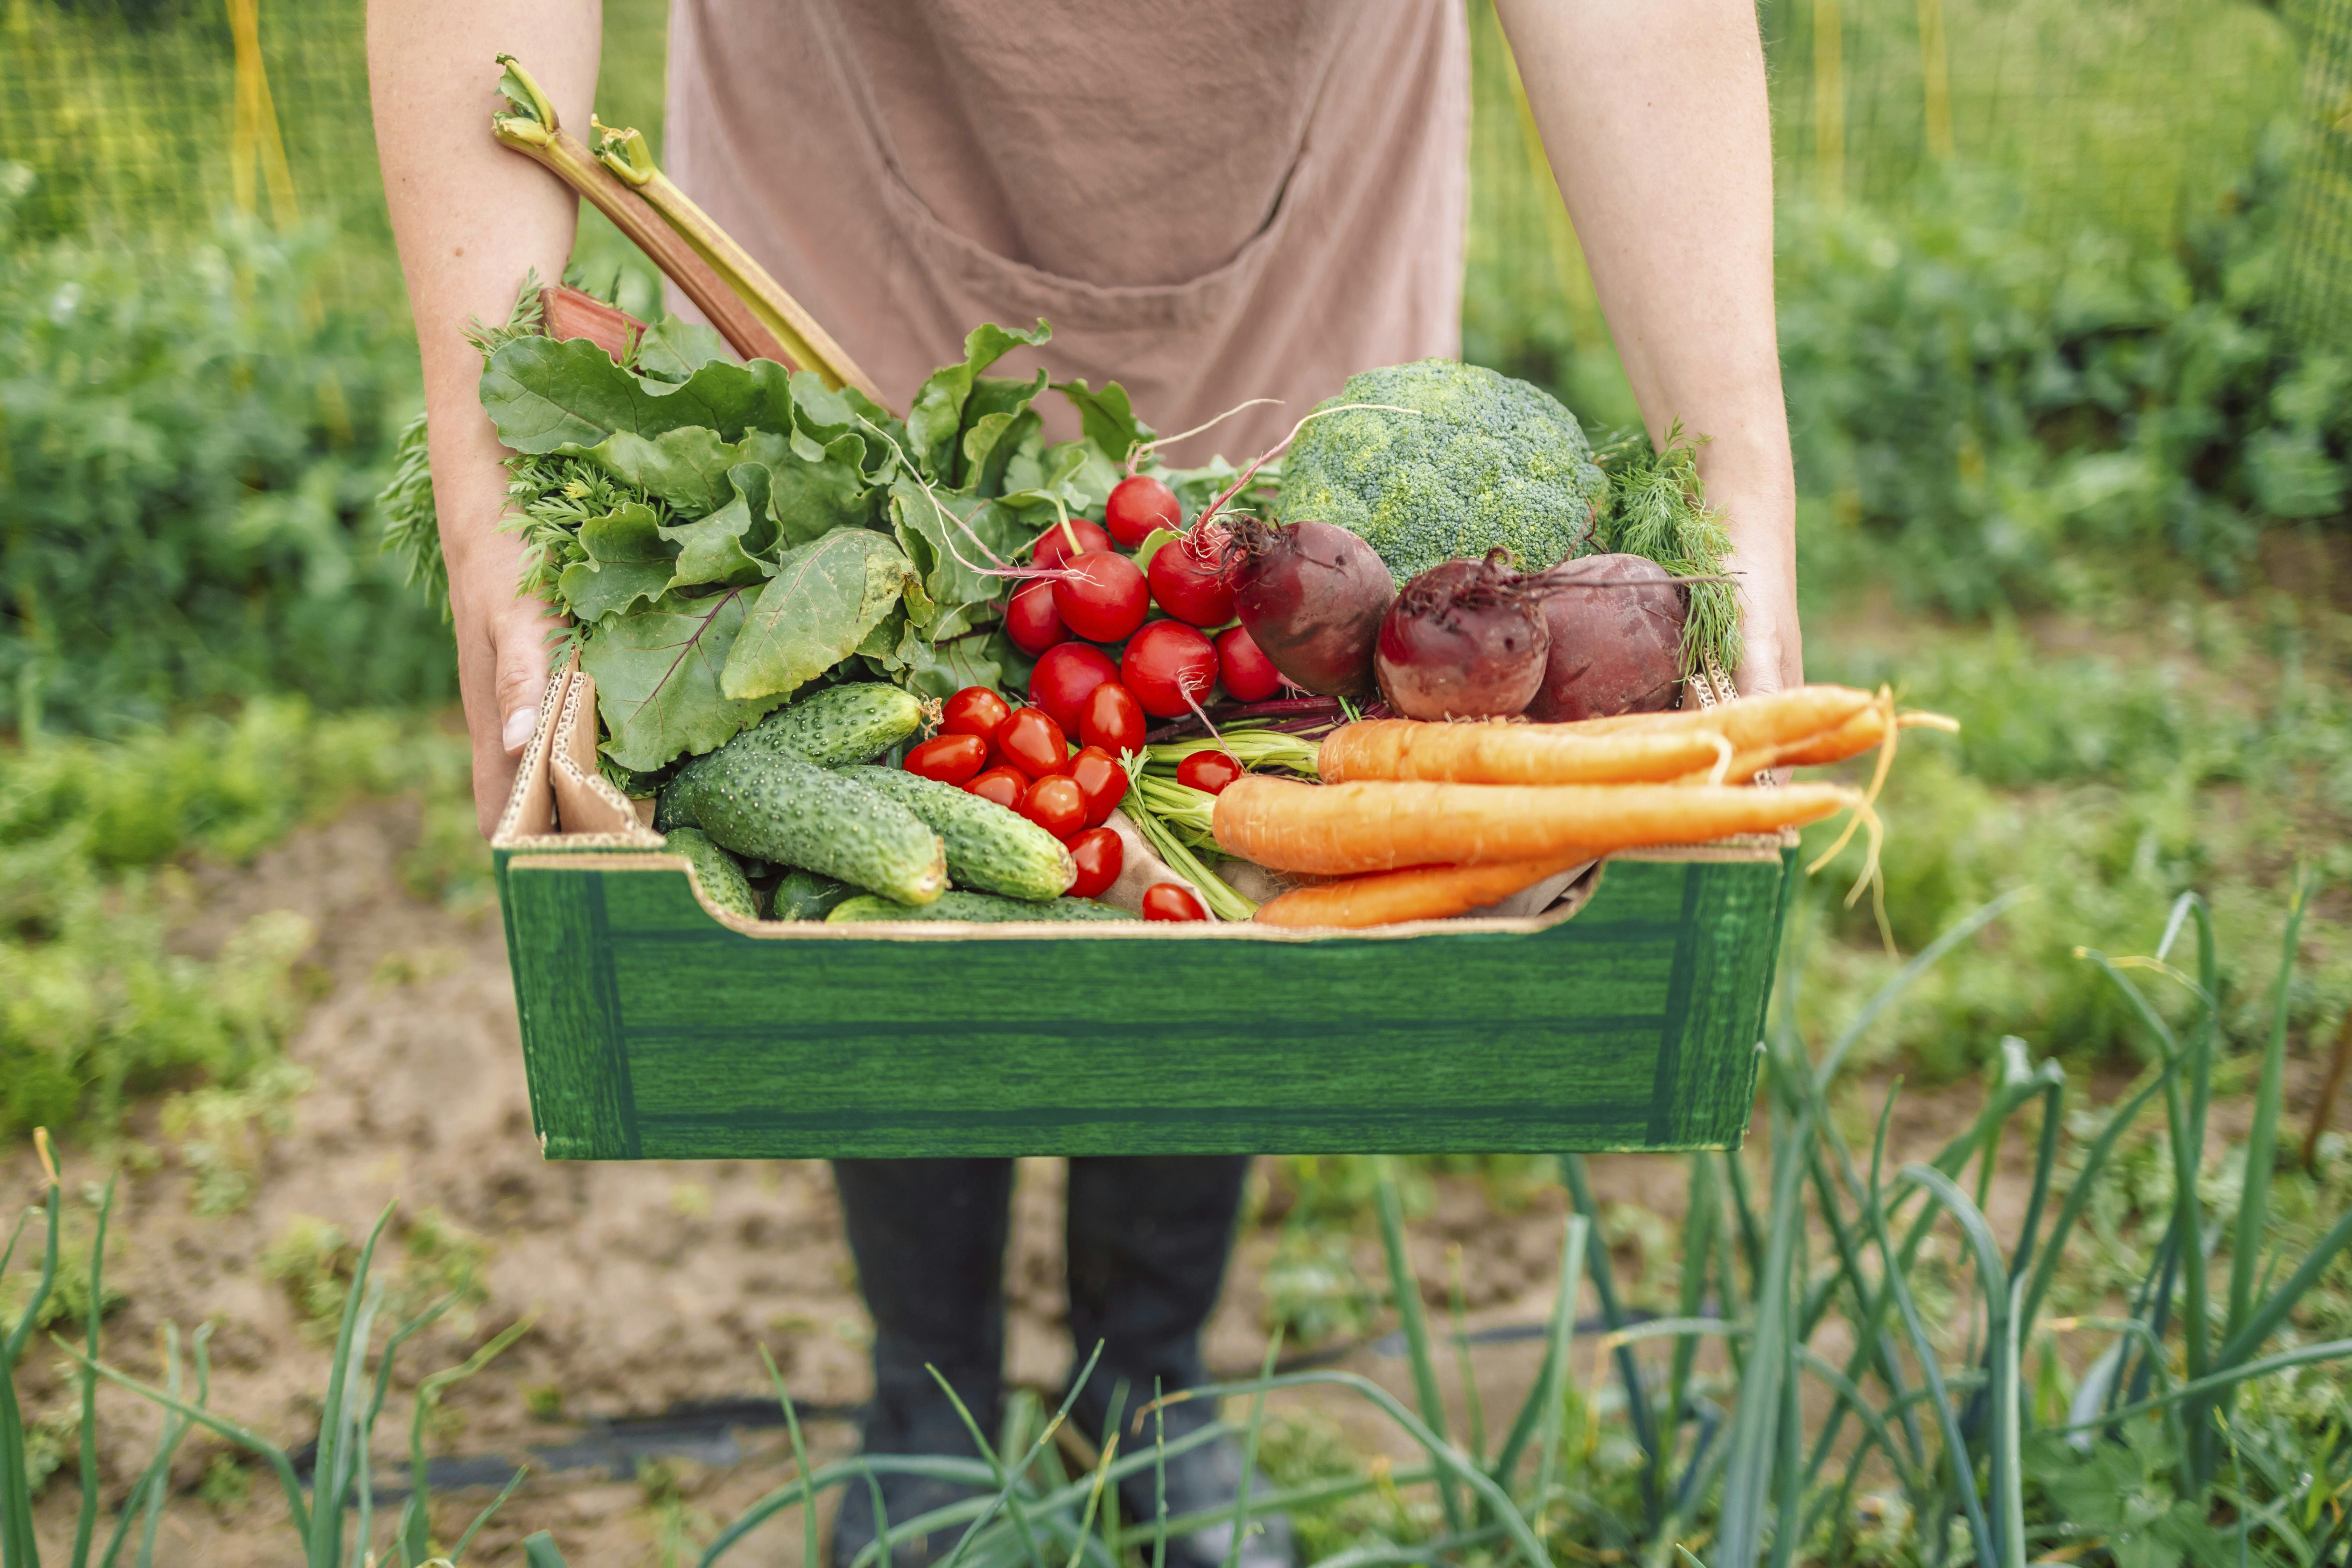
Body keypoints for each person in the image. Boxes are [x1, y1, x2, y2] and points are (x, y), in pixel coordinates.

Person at [369, 4, 1802, 1564]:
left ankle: (1150, 1386)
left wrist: (1736, 456)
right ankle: (927, 1399)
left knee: (1254, 799)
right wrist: (479, 465)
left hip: (1288, 158)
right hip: (846, 123)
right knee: (882, 747)